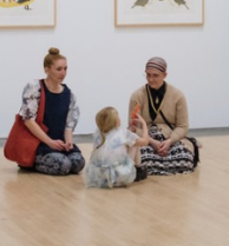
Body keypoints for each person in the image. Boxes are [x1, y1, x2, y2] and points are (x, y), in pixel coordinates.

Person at [18, 47, 85, 176]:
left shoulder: (68, 94)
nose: (63, 73)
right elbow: (28, 121)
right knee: (63, 165)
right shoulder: (34, 88)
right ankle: (31, 161)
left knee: (78, 163)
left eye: (65, 69)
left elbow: (69, 125)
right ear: (46, 69)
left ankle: (57, 157)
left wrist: (68, 142)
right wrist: (50, 142)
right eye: (59, 69)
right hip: (39, 143)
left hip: (59, 144)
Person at [128, 57, 197, 175]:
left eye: (155, 76)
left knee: (185, 158)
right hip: (147, 139)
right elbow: (133, 127)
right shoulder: (137, 96)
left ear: (165, 75)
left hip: (171, 138)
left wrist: (169, 141)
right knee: (140, 159)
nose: (151, 79)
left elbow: (182, 126)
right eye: (148, 75)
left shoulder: (178, 96)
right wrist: (151, 142)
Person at [84, 107, 150, 188]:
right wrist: (144, 124)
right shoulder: (123, 133)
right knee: (135, 144)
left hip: (97, 177)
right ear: (117, 121)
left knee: (129, 142)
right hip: (120, 177)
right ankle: (139, 169)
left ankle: (137, 170)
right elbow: (145, 141)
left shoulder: (98, 133)